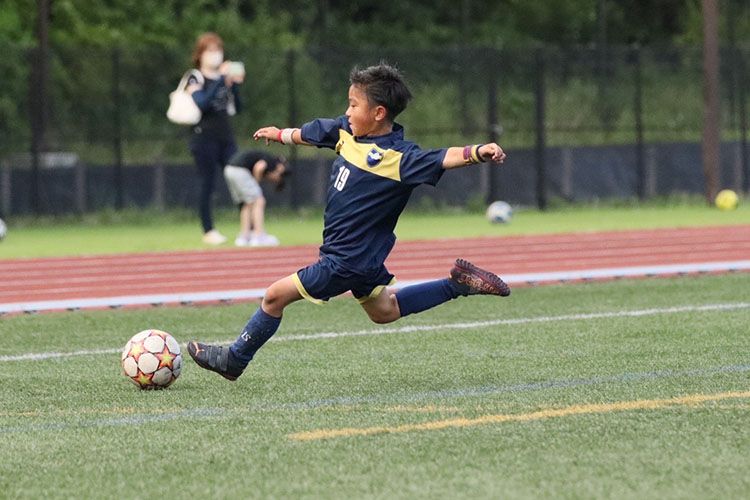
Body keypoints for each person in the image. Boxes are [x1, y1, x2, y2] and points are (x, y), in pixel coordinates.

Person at [188, 63, 510, 381]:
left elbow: (442, 157)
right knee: (384, 312)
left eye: (355, 105)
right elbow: (318, 131)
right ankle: (457, 284)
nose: (348, 111)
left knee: (274, 296)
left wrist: (479, 151)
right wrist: (282, 134)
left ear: (379, 113)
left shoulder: (397, 158)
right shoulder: (347, 131)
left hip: (345, 261)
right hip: (361, 257)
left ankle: (234, 360)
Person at [186, 32, 245, 245]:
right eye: (210, 51)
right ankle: (208, 229)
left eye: (218, 50)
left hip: (225, 136)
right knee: (207, 184)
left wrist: (234, 85)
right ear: (200, 54)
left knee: (240, 176)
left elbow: (237, 108)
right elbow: (201, 103)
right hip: (204, 137)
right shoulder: (195, 77)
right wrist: (220, 79)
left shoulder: (224, 79)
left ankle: (248, 228)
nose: (215, 55)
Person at [223, 150, 289, 247]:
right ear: (280, 168)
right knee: (259, 201)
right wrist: (256, 182)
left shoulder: (264, 157)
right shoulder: (272, 162)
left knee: (247, 204)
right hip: (240, 170)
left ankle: (244, 237)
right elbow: (259, 167)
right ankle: (258, 236)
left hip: (229, 169)